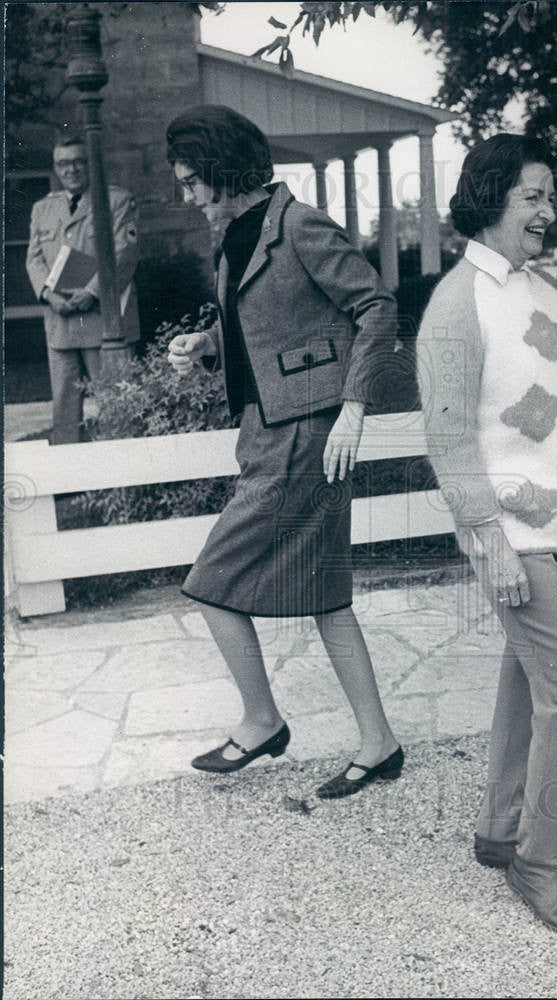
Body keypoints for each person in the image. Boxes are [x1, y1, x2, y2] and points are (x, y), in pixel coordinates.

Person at [165, 105, 402, 798]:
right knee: (326, 598)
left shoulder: (298, 224)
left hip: (307, 435)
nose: (187, 197)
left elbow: (375, 307)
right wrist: (204, 346)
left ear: (219, 170)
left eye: (190, 182)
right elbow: (256, 324)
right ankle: (378, 743)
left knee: (211, 582)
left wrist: (355, 406)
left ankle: (262, 720)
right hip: (270, 432)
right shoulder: (238, 233)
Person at [418, 134, 557, 937]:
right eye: (531, 195)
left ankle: (498, 833)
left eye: (549, 194)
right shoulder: (456, 303)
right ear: (491, 195)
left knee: (529, 685)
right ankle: (535, 862)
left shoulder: (540, 287)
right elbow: (449, 440)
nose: (546, 210)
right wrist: (488, 543)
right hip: (516, 542)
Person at [25, 133, 140, 445]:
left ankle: (122, 478)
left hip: (103, 321)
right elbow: (34, 260)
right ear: (55, 168)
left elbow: (125, 254)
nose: (71, 170)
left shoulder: (115, 201)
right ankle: (71, 479)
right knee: (64, 407)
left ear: (90, 164)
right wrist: (48, 295)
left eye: (78, 162)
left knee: (114, 402)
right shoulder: (43, 209)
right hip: (61, 320)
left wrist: (91, 292)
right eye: (63, 164)